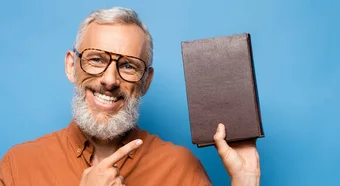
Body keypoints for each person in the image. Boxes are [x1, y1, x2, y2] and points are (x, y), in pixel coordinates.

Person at [0, 7, 260, 186]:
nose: (110, 80)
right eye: (96, 59)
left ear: (146, 81)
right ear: (71, 66)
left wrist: (245, 180)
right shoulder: (19, 165)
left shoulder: (181, 169)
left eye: (128, 66)